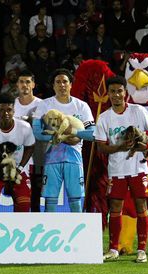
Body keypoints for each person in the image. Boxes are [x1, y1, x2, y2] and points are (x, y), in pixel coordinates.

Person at [93, 76, 148, 263]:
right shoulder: (104, 118)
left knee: (141, 207)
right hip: (116, 169)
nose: (116, 95)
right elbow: (100, 147)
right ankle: (113, 249)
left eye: (119, 91)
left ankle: (142, 250)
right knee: (115, 208)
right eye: (112, 91)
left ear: (125, 92)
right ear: (108, 94)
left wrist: (147, 146)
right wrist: (120, 148)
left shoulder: (138, 111)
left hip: (138, 168)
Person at [32, 68, 95, 213]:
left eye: (65, 82)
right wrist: (66, 138)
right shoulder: (44, 105)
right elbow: (37, 133)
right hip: (52, 157)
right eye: (58, 82)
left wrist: (71, 132)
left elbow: (92, 134)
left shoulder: (81, 106)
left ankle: (77, 232)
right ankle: (49, 230)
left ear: (71, 84)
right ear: (53, 86)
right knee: (50, 199)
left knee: (75, 199)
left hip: (74, 157)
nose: (62, 85)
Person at [0, 92, 35, 212]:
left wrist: (20, 167)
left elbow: (30, 147)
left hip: (19, 172)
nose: (5, 113)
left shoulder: (24, 127)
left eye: (9, 110)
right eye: (2, 110)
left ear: (14, 111)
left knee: (24, 207)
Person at [14, 70, 44, 212]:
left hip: (37, 155)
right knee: (18, 195)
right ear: (17, 85)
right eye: (21, 82)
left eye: (27, 82)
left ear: (33, 84)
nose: (24, 85)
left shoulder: (42, 105)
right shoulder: (11, 105)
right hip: (17, 156)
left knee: (36, 195)